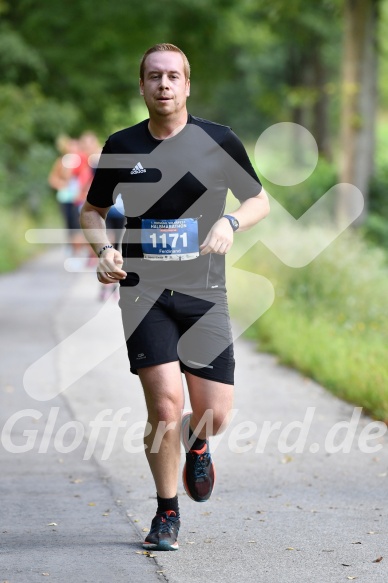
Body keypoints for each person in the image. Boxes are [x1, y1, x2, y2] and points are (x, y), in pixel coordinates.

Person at [80, 43, 270, 551]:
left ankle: (199, 443)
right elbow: (93, 211)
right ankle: (166, 512)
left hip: (205, 292)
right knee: (165, 408)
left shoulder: (218, 140)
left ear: (187, 86)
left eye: (173, 77)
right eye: (153, 77)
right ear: (141, 86)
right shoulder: (121, 145)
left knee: (214, 413)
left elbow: (259, 199)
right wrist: (103, 252)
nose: (163, 85)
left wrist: (230, 220)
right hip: (143, 294)